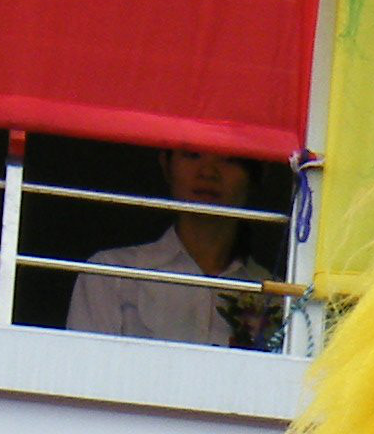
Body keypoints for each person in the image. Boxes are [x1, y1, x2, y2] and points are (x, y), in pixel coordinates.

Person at [67, 148, 274, 347]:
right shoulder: (111, 274)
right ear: (166, 165)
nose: (208, 172)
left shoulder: (277, 297)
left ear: (257, 174)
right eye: (193, 155)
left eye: (230, 159)